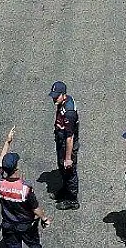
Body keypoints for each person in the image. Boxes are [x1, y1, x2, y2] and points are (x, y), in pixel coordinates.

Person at [0, 127, 51, 248]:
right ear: (16, 168)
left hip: (8, 225)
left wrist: (7, 142)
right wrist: (44, 218)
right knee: (34, 245)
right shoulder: (25, 189)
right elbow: (35, 208)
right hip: (25, 225)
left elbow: (0, 162)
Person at [48, 81, 79, 210]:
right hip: (61, 141)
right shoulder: (63, 102)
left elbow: (70, 137)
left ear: (63, 95)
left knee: (69, 171)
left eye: (56, 96)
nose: (54, 98)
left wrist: (68, 158)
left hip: (67, 145)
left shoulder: (69, 112)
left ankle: (72, 200)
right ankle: (65, 190)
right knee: (62, 168)